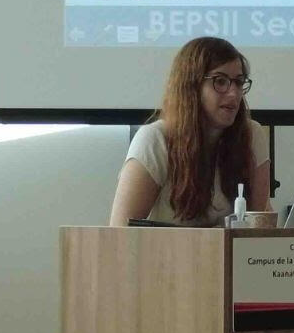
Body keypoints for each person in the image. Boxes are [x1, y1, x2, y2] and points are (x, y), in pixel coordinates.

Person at [109, 36, 270, 227]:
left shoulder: (252, 135)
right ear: (191, 86)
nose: (234, 93)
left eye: (238, 82)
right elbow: (118, 235)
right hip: (165, 256)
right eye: (220, 81)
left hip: (234, 256)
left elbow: (259, 229)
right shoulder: (154, 140)